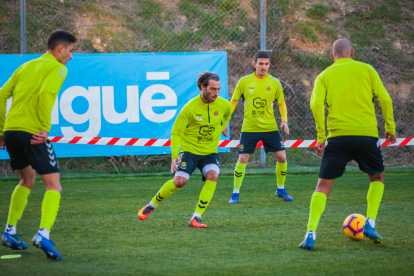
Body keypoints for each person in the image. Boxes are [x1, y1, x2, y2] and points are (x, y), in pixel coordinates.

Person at [299, 39, 396, 250]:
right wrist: (390, 127)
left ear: (332, 56)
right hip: (366, 136)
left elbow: (316, 104)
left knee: (323, 186)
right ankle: (370, 223)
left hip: (337, 138)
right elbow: (385, 99)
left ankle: (310, 232)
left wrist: (321, 137)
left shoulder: (324, 75)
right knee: (377, 177)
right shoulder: (367, 69)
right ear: (352, 53)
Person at [0, 30, 78, 260]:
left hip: (12, 132)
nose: (71, 57)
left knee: (27, 179)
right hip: (34, 133)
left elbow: (2, 94)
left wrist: (2, 131)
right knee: (54, 186)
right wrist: (45, 128)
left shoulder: (26, 66)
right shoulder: (58, 68)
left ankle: (9, 231)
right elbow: (46, 93)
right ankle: (43, 234)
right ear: (60, 49)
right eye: (71, 51)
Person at [138, 72, 231, 228]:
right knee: (180, 182)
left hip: (209, 152)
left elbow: (226, 116)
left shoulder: (224, 105)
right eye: (212, 89)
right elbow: (176, 133)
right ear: (202, 88)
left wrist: (222, 126)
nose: (216, 93)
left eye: (218, 89)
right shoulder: (189, 108)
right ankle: (151, 205)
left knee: (213, 175)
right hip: (190, 151)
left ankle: (196, 217)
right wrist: (174, 156)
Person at [224, 51, 291, 204]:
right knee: (243, 158)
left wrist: (285, 120)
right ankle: (235, 193)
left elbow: (281, 103)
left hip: (270, 127)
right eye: (260, 63)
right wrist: (225, 121)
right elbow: (233, 102)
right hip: (250, 127)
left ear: (269, 65)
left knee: (282, 157)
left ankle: (280, 189)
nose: (263, 66)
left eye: (266, 64)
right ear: (254, 64)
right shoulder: (244, 81)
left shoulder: (275, 83)